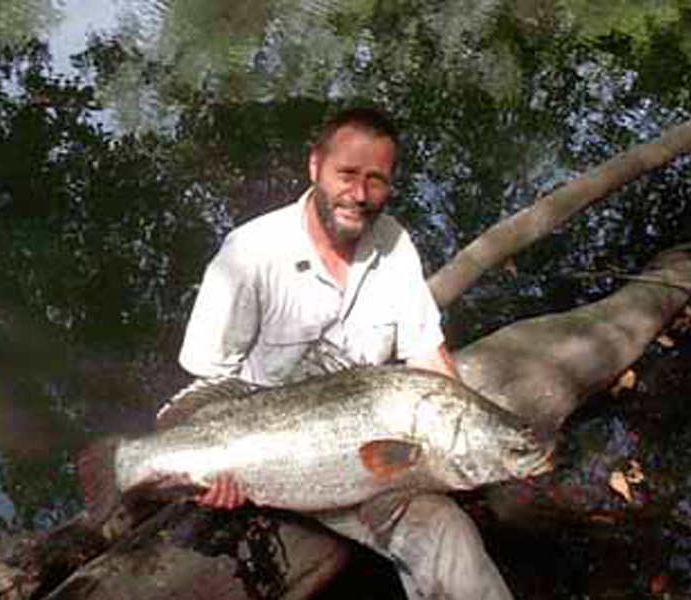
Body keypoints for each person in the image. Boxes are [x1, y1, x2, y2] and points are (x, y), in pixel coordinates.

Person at [163, 107, 514, 600]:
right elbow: (204, 381)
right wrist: (212, 473)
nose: (360, 193)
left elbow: (427, 355)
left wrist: (468, 439)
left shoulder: (395, 243)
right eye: (347, 174)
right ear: (315, 167)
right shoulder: (248, 253)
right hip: (271, 465)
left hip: (372, 470)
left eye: (377, 179)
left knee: (451, 540)